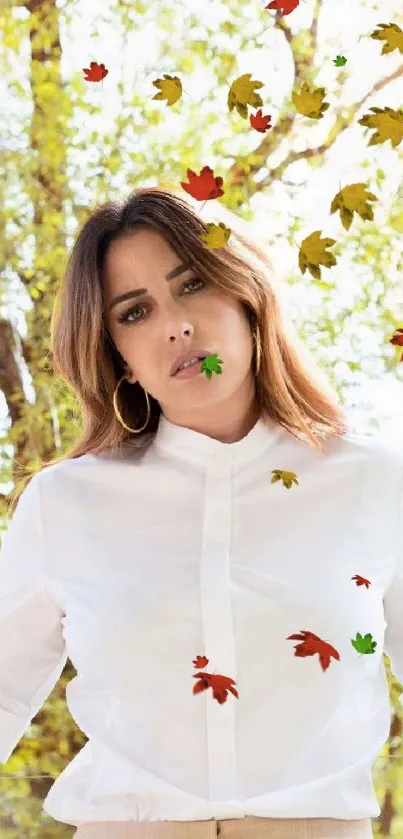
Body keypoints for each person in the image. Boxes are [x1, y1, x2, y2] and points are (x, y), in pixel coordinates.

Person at [1, 186, 401, 839]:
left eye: (192, 285)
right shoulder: (65, 504)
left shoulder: (373, 482)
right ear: (118, 359)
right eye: (134, 312)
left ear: (245, 295)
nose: (174, 326)